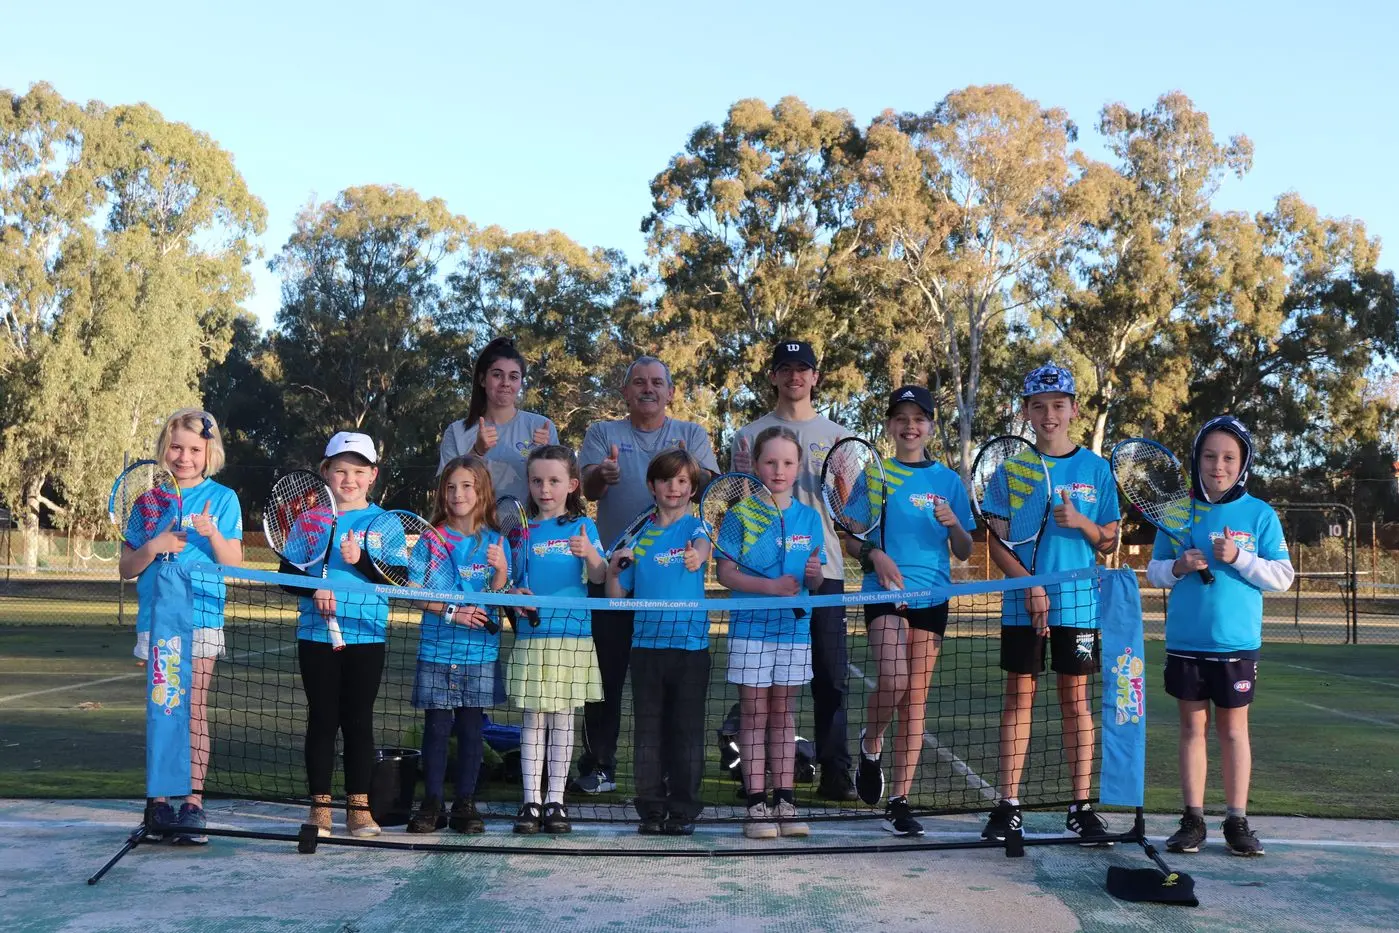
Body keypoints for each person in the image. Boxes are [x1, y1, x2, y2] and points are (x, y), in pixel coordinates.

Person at [981, 365, 1120, 845]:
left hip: (1079, 606)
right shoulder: (1011, 470)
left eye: (1059, 405)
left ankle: (1080, 807)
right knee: (1018, 700)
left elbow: (1107, 541)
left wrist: (1082, 522)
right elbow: (996, 543)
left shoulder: (1096, 470)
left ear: (1074, 410)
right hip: (1023, 605)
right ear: (1026, 412)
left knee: (1074, 702)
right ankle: (1008, 805)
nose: (1049, 415)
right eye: (1038, 406)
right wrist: (1029, 586)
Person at [1147, 416, 1293, 857]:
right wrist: (1178, 566)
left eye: (1229, 457)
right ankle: (1192, 820)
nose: (1218, 465)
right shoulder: (1177, 512)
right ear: (1197, 460)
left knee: (1233, 732)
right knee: (1192, 728)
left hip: (1236, 645)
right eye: (1209, 456)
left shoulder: (1260, 514)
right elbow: (1155, 571)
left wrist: (1242, 557)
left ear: (1243, 461)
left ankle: (1236, 820)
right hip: (1186, 642)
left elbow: (1282, 576)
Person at [576, 356, 719, 793]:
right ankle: (599, 762)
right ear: (625, 391)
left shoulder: (692, 434)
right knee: (606, 677)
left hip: (667, 584)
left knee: (665, 687)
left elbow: (709, 486)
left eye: (658, 382)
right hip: (615, 574)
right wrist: (603, 473)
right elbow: (586, 488)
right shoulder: (604, 433)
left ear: (671, 391)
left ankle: (672, 774)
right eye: (638, 382)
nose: (648, 389)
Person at [847, 387, 975, 837]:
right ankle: (870, 742)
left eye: (918, 417)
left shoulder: (949, 482)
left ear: (931, 426)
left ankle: (899, 799)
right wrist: (874, 556)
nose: (909, 425)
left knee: (915, 697)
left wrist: (954, 524)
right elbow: (852, 538)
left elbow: (963, 551)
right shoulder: (876, 475)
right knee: (894, 679)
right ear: (889, 426)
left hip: (932, 598)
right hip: (883, 590)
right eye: (900, 417)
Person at [732, 340, 856, 801]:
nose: (794, 376)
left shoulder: (838, 434)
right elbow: (738, 506)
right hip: (764, 579)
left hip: (820, 569)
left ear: (815, 377)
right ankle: (756, 781)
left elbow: (852, 514)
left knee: (829, 677)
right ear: (774, 376)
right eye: (785, 368)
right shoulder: (748, 436)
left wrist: (846, 495)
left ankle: (835, 772)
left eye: (802, 368)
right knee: (761, 690)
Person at [119, 409, 243, 845]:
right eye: (176, 446)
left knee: (192, 710)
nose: (184, 456)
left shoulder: (223, 499)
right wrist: (154, 545)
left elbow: (235, 565)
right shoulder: (147, 502)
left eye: (194, 448)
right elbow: (126, 567)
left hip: (202, 620)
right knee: (162, 707)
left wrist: (211, 535)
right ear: (163, 449)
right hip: (157, 620)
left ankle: (192, 804)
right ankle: (158, 804)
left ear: (210, 452)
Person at [718, 426, 826, 839]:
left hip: (794, 632)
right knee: (754, 713)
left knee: (783, 714)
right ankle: (756, 805)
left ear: (798, 467)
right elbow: (726, 573)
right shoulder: (740, 515)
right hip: (750, 631)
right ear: (756, 465)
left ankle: (785, 801)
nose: (778, 470)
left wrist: (813, 577)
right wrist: (770, 588)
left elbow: (811, 580)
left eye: (787, 462)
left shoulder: (809, 518)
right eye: (770, 461)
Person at [281, 432, 389, 838]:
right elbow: (287, 579)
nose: (349, 479)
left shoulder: (385, 522)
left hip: (367, 634)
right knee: (323, 720)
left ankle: (359, 809)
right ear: (325, 472)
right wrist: (316, 588)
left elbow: (397, 581)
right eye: (340, 470)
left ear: (372, 476)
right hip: (315, 635)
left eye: (358, 471)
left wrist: (360, 561)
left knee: (359, 722)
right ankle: (320, 809)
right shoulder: (310, 521)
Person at [605, 449, 713, 836]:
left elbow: (703, 548)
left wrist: (696, 559)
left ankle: (682, 809)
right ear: (652, 486)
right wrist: (616, 570)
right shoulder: (639, 535)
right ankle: (651, 809)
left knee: (685, 732)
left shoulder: (695, 528)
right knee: (648, 733)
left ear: (692, 488)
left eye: (683, 481)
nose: (674, 487)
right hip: (647, 648)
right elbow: (616, 596)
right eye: (667, 480)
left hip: (690, 649)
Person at [406, 455, 511, 835]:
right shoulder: (431, 538)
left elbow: (497, 595)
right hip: (437, 650)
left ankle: (465, 804)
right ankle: (431, 802)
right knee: (436, 728)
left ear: (482, 490)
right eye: (451, 486)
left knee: (471, 729)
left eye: (467, 485)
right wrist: (452, 611)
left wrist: (500, 570)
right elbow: (415, 594)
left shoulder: (497, 542)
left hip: (479, 654)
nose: (457, 493)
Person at [507, 445, 608, 834]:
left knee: (563, 722)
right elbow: (513, 585)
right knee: (533, 721)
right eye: (537, 480)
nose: (544, 488)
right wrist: (513, 596)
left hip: (573, 638)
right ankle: (530, 802)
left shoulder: (584, 528)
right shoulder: (520, 533)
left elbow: (599, 577)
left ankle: (556, 803)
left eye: (553, 480)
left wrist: (590, 557)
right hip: (534, 638)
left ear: (572, 485)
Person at [438, 337, 557, 501]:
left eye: (514, 377)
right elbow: (445, 491)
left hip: (528, 526)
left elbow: (557, 489)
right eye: (497, 375)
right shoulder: (456, 432)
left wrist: (544, 457)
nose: (506, 383)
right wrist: (476, 452)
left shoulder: (542, 427)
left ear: (521, 382)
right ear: (482, 380)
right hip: (473, 527)